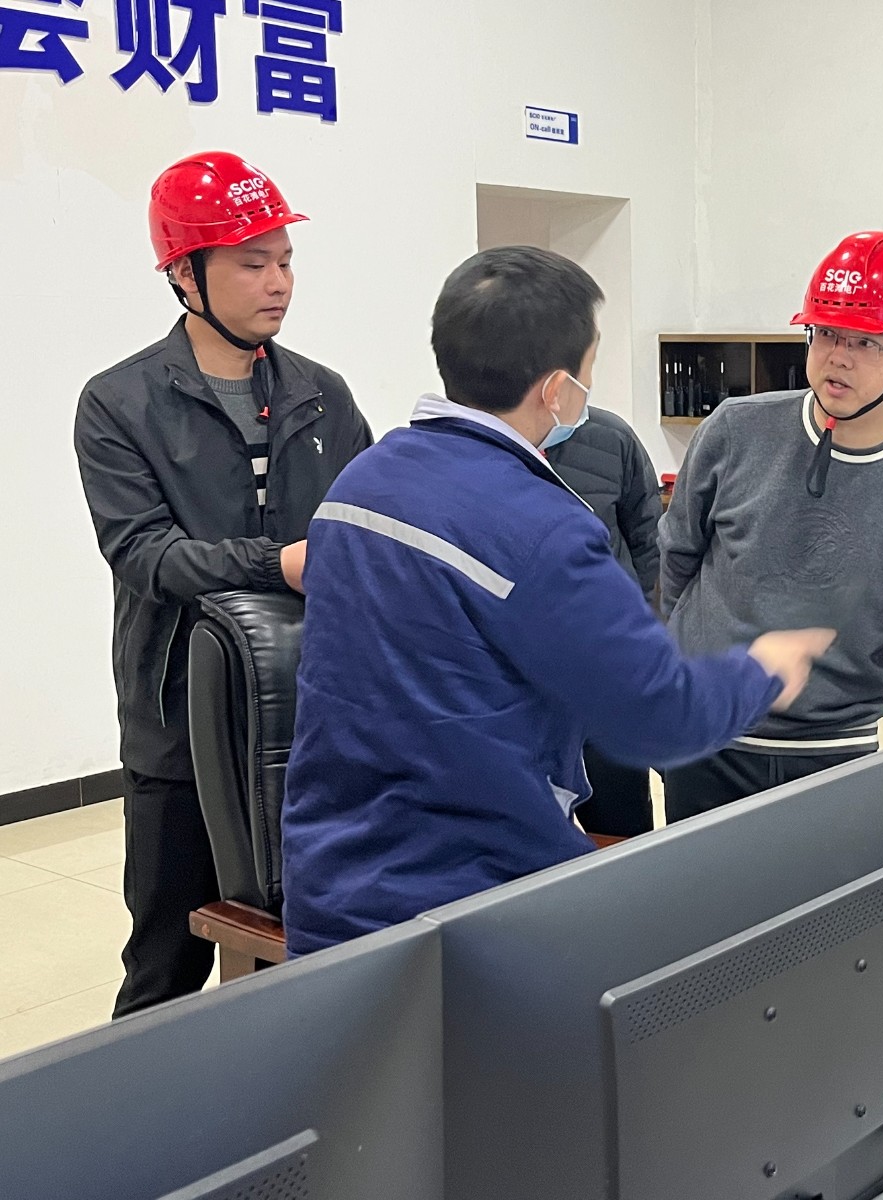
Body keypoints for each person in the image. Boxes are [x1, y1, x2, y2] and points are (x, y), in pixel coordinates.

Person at [279, 246, 833, 955]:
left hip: (329, 894)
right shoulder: (541, 527)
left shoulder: (360, 483)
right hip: (469, 912)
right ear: (555, 390)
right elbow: (658, 718)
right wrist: (761, 670)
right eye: (589, 368)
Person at [73, 151, 372, 1016]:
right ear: (184, 275)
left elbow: (368, 516)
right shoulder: (119, 402)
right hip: (179, 723)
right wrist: (276, 564)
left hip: (312, 716)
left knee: (298, 948)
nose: (278, 282)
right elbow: (146, 555)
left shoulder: (322, 394)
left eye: (285, 260)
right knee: (165, 965)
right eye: (252, 262)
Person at [658, 231, 883, 822]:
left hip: (834, 757)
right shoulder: (734, 429)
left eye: (865, 341)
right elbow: (677, 559)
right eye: (826, 333)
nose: (838, 357)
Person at [543, 406, 662, 837]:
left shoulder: (612, 439)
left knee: (622, 829)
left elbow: (650, 545)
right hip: (523, 685)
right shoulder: (478, 445)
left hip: (607, 675)